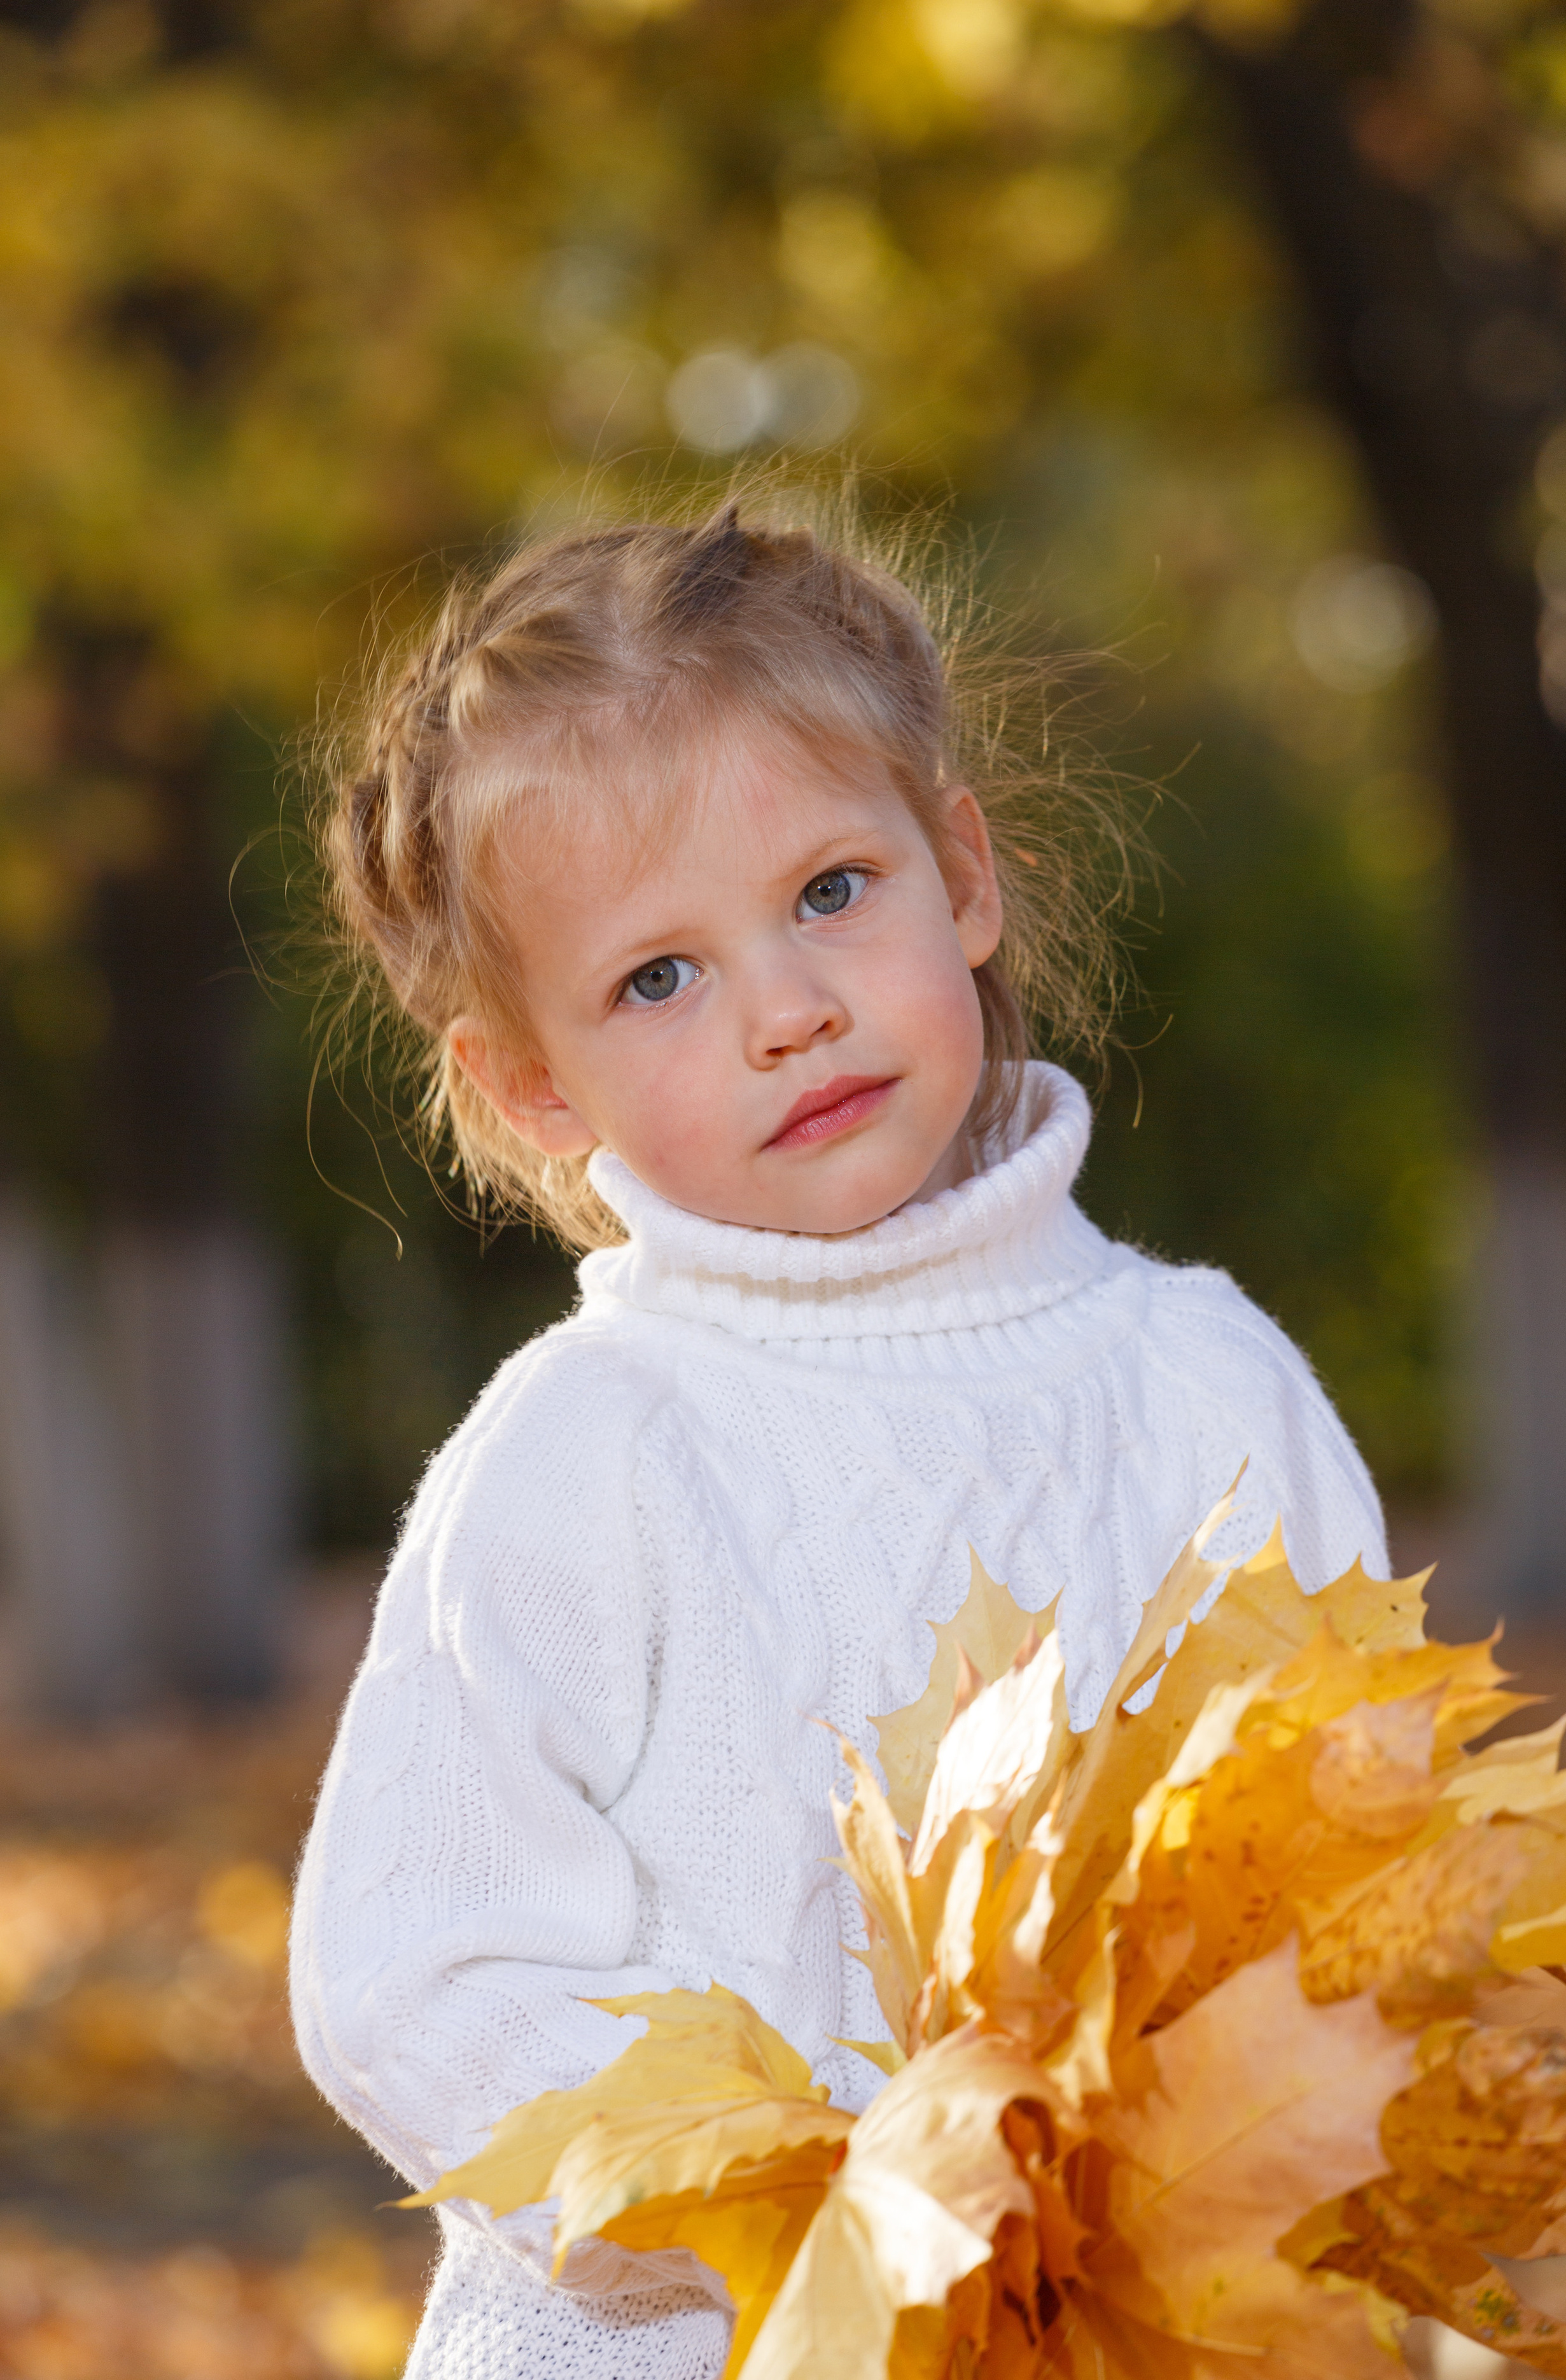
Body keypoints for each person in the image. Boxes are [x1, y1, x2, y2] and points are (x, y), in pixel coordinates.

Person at [288, 498, 1387, 2380]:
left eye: (827, 893)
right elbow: (412, 1970)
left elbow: (1358, 1851)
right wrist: (793, 2198)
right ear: (534, 1082)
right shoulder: (591, 1450)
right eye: (661, 977)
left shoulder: (1211, 1387)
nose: (788, 1011)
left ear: (960, 873)